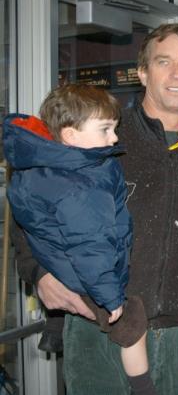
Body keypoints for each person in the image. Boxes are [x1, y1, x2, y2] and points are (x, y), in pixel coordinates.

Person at [14, 24, 178, 395]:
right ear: (142, 73)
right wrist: (40, 272)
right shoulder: (103, 136)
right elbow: (32, 204)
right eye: (163, 62)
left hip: (173, 338)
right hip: (98, 330)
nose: (176, 74)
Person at [4, 84, 155, 395]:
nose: (114, 138)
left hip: (65, 267)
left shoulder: (45, 167)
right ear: (71, 135)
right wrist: (110, 295)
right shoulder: (78, 184)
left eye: (114, 128)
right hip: (84, 279)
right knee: (132, 321)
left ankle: (56, 330)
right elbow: (91, 245)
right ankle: (144, 387)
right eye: (105, 130)